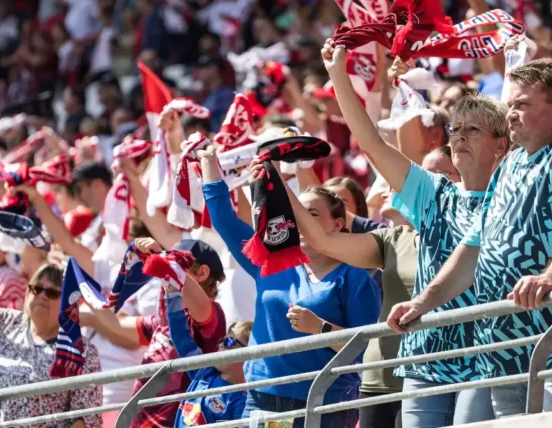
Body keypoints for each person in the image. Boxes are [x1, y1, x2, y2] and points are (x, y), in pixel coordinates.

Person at [389, 59, 552, 417]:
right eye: (510, 106)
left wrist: (550, 278)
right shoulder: (509, 164)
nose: (511, 114)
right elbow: (474, 248)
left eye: (522, 105)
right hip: (503, 352)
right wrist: (423, 303)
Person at [324, 41, 509, 427]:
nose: (458, 137)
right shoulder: (433, 192)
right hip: (424, 356)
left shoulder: (513, 195)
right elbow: (372, 145)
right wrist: (337, 74)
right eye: (455, 128)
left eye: (472, 130)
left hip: (486, 355)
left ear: (501, 145)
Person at [261, 146, 457, 428]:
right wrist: (277, 179)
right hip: (375, 380)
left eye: (434, 175)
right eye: (423, 174)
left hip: (428, 375)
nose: (419, 181)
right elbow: (321, 236)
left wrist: (321, 328)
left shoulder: (464, 232)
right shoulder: (391, 238)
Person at [202, 147, 380, 428]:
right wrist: (209, 162)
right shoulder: (270, 261)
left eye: (311, 214)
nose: (299, 222)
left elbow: (365, 350)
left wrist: (320, 328)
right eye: (295, 213)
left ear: (337, 225)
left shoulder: (356, 278)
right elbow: (224, 220)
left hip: (325, 403)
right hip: (262, 398)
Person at [0, 214, 102, 427]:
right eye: (36, 288)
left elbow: (83, 422)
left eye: (52, 293)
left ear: (69, 303)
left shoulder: (81, 351)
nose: (42, 295)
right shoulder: (7, 323)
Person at [81, 237, 227, 428]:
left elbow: (192, 296)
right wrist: (83, 294)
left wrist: (162, 258)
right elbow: (115, 324)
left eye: (177, 261)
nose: (163, 274)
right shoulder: (161, 322)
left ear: (202, 272)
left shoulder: (211, 314)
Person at [165, 281, 252, 427]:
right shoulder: (204, 371)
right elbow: (180, 336)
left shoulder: (242, 401)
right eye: (223, 339)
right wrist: (173, 295)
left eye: (231, 342)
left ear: (249, 359)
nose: (222, 344)